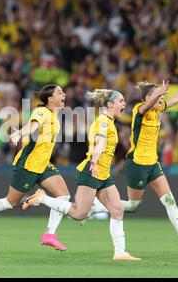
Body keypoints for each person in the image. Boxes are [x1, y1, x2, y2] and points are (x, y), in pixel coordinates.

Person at [91, 68, 178, 251]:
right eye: (157, 96)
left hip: (153, 164)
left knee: (170, 200)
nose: (162, 99)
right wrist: (158, 94)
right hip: (137, 164)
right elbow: (147, 106)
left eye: (162, 96)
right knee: (132, 206)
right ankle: (95, 208)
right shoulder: (140, 110)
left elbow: (177, 99)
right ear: (147, 98)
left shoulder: (157, 110)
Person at [22, 89, 141, 261]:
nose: (124, 104)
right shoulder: (103, 122)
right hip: (92, 171)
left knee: (117, 209)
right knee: (79, 214)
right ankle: (41, 198)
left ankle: (120, 252)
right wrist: (94, 162)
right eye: (121, 101)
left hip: (103, 174)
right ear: (110, 104)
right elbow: (99, 143)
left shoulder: (109, 121)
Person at [0, 85, 71, 250]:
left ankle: (49, 234)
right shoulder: (41, 112)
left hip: (42, 164)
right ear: (50, 98)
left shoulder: (54, 115)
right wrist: (20, 133)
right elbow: (33, 125)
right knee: (10, 202)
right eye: (59, 92)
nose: (63, 94)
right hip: (28, 165)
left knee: (63, 195)